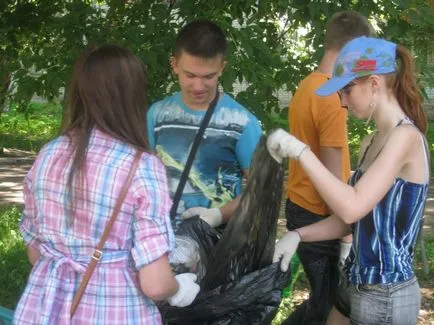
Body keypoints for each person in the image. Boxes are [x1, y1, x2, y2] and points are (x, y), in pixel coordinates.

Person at [13, 45, 200, 325]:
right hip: (115, 311)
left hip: (42, 310)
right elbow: (155, 284)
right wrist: (179, 290)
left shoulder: (50, 154)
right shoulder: (142, 167)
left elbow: (35, 252)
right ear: (133, 97)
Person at [269, 36, 429, 325]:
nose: (342, 101)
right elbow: (354, 220)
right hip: (356, 280)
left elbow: (352, 207)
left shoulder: (405, 138)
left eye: (347, 89)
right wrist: (298, 234)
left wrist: (301, 151)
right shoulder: (370, 142)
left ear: (375, 84)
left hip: (388, 294)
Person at [281, 11, 374, 325]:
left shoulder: (307, 85)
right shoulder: (332, 97)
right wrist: (347, 234)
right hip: (320, 214)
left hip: (300, 205)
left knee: (322, 303)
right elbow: (335, 185)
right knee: (329, 311)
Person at [147, 19, 262, 228]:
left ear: (221, 68)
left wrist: (218, 215)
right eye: (190, 75)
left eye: (208, 76)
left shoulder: (242, 123)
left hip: (214, 245)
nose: (198, 86)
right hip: (160, 243)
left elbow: (261, 190)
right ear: (174, 65)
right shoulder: (156, 115)